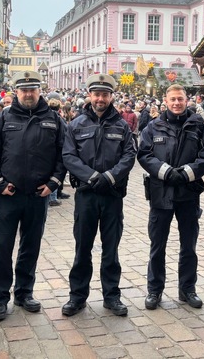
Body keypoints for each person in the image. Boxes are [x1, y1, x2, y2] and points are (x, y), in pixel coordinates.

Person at [0, 71, 66, 321]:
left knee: (30, 247)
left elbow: (64, 154)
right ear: (16, 92)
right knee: (3, 247)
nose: (28, 94)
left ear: (39, 91)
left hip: (37, 196)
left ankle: (24, 292)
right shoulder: (4, 117)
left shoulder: (53, 119)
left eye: (33, 89)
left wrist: (54, 182)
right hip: (9, 195)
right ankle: (0, 298)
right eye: (24, 90)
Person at [60, 74, 136, 317]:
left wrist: (110, 177)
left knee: (110, 248)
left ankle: (111, 296)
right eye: (96, 94)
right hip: (86, 194)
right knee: (83, 247)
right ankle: (77, 296)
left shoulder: (121, 125)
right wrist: (93, 177)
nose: (100, 98)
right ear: (90, 95)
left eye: (105, 94)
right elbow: (69, 156)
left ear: (111, 96)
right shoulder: (76, 124)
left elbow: (128, 155)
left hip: (112, 195)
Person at [137, 84, 204, 310]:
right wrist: (166, 172)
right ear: (166, 100)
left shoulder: (200, 128)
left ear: (186, 100)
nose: (177, 103)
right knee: (157, 245)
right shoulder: (153, 127)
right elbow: (144, 154)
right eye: (173, 99)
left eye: (180, 99)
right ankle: (154, 290)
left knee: (188, 245)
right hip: (160, 194)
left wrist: (186, 174)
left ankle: (187, 289)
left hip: (188, 194)